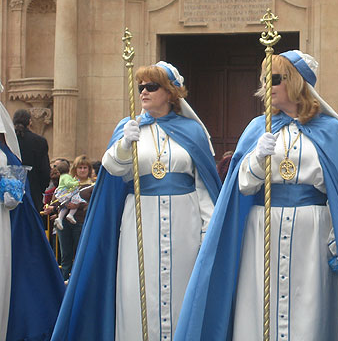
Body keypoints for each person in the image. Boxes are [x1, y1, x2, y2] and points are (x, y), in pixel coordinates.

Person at [174, 50, 338, 341]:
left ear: (295, 82)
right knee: (259, 306)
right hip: (262, 229)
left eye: (275, 79)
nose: (267, 85)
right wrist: (257, 158)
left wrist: (337, 238)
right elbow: (242, 185)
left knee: (309, 307)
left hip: (312, 231)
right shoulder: (258, 128)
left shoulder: (330, 131)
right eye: (265, 79)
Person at [52, 61, 222, 341]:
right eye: (140, 86)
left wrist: (208, 229)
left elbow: (202, 185)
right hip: (138, 222)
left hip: (185, 225)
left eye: (151, 86)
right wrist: (122, 145)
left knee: (182, 291)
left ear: (170, 93)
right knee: (136, 293)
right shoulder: (129, 127)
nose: (143, 92)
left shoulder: (192, 132)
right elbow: (114, 170)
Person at [0, 82, 64, 341]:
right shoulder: (36, 142)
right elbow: (41, 171)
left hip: (17, 210)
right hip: (23, 206)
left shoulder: (15, 148)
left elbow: (32, 173)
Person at [45, 155, 95, 280]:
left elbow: (94, 204)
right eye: (80, 168)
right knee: (65, 255)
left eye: (85, 168)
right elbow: (57, 198)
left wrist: (79, 204)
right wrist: (53, 207)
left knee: (80, 254)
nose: (82, 170)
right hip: (64, 223)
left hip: (81, 222)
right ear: (75, 169)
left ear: (89, 170)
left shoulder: (94, 185)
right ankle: (64, 282)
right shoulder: (68, 182)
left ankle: (78, 281)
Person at [12, 109, 50, 213]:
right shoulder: (39, 141)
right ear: (29, 122)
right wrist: (40, 189)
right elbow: (45, 171)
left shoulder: (8, 141)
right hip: (33, 190)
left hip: (10, 191)